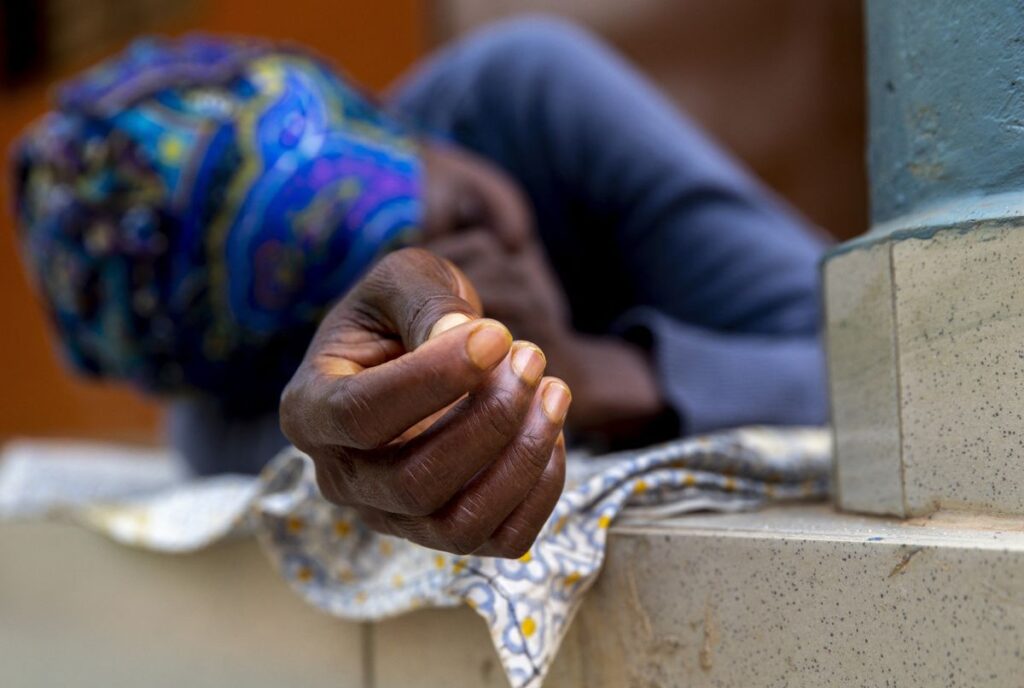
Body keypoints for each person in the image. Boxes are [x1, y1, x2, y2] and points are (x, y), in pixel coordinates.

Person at [13, 18, 827, 557]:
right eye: (388, 248)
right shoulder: (239, 407)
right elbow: (241, 447)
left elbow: (892, 361)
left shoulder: (526, 97)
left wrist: (603, 372)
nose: (460, 228)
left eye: (406, 176)